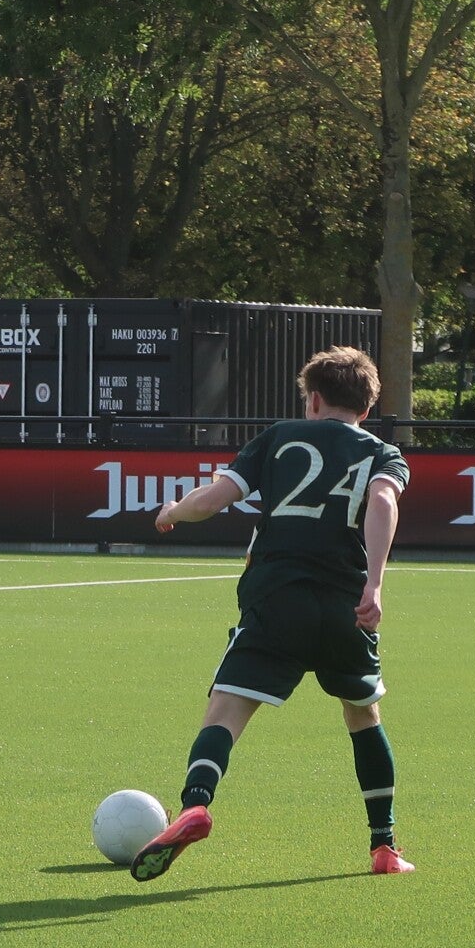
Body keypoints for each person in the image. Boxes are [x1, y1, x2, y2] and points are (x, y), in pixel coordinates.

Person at [130, 345, 415, 881]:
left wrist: (172, 512)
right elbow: (382, 502)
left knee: (226, 710)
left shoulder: (279, 437)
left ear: (314, 400)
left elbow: (213, 500)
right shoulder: (383, 454)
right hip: (345, 606)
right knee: (362, 715)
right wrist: (375, 584)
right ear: (367, 408)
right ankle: (384, 846)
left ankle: (196, 804)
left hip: (275, 600)